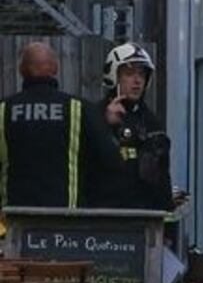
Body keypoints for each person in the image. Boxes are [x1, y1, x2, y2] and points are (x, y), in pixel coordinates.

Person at [0, 42, 121, 210]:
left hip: (13, 222)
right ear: (56, 69)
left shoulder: (3, 110)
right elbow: (111, 160)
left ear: (21, 71)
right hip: (64, 223)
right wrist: (110, 126)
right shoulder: (79, 108)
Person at [95, 43, 174, 211]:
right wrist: (106, 126)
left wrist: (168, 226)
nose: (137, 81)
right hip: (103, 218)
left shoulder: (151, 123)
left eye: (142, 74)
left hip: (143, 220)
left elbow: (162, 180)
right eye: (129, 74)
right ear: (113, 76)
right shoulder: (94, 116)